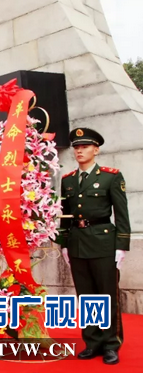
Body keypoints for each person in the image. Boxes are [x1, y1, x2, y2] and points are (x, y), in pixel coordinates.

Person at [59, 127, 130, 365]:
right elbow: (64, 214)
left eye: (85, 146)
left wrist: (121, 246)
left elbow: (121, 215)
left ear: (96, 150)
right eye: (76, 147)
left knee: (107, 295)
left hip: (103, 242)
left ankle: (111, 344)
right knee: (87, 296)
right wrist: (64, 244)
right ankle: (92, 342)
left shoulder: (111, 176)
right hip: (77, 243)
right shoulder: (68, 180)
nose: (79, 151)